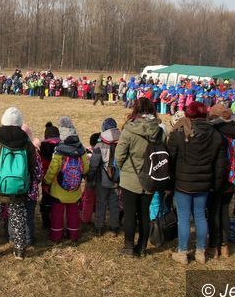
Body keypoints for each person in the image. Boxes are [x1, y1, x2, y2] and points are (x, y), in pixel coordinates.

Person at [168, 103, 226, 265]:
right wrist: (216, 184)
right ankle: (200, 252)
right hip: (204, 183)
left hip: (183, 183)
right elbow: (220, 164)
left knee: (184, 217)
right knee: (200, 216)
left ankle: (182, 252)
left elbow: (171, 159)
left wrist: (170, 182)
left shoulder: (179, 133)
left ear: (188, 114)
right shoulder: (216, 135)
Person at [0, 107, 36, 259]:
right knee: (18, 217)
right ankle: (20, 251)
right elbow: (32, 164)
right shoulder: (26, 141)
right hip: (19, 187)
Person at [115, 97, 164, 257]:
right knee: (144, 214)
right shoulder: (159, 131)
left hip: (131, 177)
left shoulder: (129, 129)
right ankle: (142, 247)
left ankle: (129, 247)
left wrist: (123, 169)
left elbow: (119, 155)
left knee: (130, 213)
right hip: (151, 175)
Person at [43, 116, 88, 244]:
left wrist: (46, 181)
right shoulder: (81, 149)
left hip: (58, 190)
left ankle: (56, 236)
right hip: (75, 189)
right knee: (73, 212)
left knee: (57, 213)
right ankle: (73, 235)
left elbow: (53, 169)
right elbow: (85, 168)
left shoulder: (59, 150)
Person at [207, 103, 235, 259]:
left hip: (216, 175)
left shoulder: (214, 130)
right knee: (225, 211)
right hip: (232, 176)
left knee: (214, 211)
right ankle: (225, 246)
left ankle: (214, 246)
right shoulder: (234, 130)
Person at [88, 118, 121, 236]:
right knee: (114, 204)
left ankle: (99, 227)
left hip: (102, 179)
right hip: (118, 178)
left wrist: (90, 178)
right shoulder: (122, 141)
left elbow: (94, 164)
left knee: (101, 203)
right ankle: (114, 227)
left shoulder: (100, 145)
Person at [39, 122, 60, 231]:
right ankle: (56, 221)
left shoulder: (41, 149)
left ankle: (46, 221)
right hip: (58, 179)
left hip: (45, 179)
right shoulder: (61, 147)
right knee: (56, 200)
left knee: (46, 199)